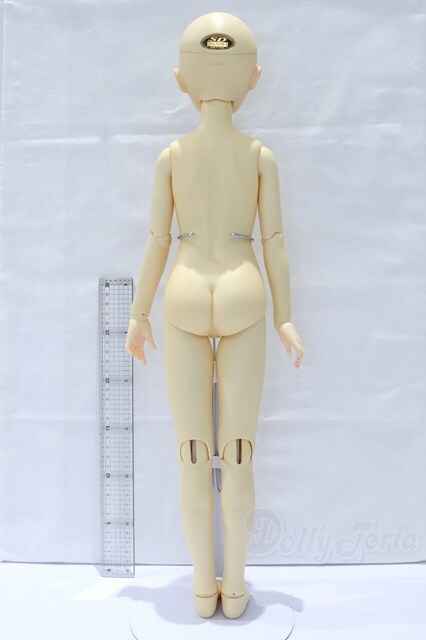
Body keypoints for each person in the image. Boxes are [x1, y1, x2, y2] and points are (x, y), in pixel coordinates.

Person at [125, 11, 304, 619]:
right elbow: (274, 240)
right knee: (241, 450)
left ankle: (204, 588)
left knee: (193, 452)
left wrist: (138, 314)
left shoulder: (172, 156)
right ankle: (235, 588)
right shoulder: (259, 156)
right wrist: (284, 317)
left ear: (181, 79)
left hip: (183, 291)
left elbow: (157, 240)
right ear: (254, 78)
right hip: (243, 291)